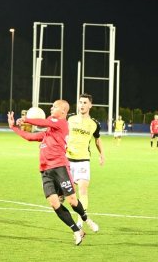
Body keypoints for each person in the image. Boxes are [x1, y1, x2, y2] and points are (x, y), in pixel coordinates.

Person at [7, 100, 99, 246]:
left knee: (72, 201)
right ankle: (76, 231)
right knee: (54, 203)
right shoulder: (48, 132)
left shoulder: (61, 123)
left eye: (54, 106)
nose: (51, 108)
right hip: (45, 170)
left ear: (63, 110)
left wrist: (26, 119)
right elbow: (30, 137)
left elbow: (44, 122)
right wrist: (13, 127)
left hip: (59, 167)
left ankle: (86, 219)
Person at [67, 93, 105, 229]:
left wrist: (102, 154)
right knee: (70, 194)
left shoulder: (94, 124)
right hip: (67, 160)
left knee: (83, 190)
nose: (81, 105)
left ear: (90, 105)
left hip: (83, 160)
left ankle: (80, 220)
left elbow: (97, 139)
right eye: (80, 102)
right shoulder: (69, 118)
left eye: (84, 103)